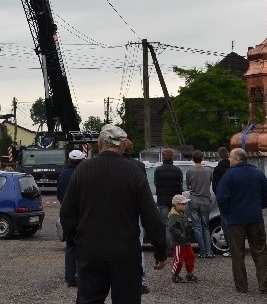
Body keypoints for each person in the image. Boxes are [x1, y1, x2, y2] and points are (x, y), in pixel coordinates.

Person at [60, 125, 167, 303]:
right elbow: (151, 216)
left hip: (90, 251)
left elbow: (67, 212)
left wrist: (75, 240)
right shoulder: (134, 173)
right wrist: (160, 251)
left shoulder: (83, 170)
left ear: (100, 143)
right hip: (125, 254)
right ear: (123, 146)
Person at [215, 148, 267, 295]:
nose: (228, 159)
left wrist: (227, 212)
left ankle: (242, 287)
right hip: (255, 218)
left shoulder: (229, 175)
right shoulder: (257, 173)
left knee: (237, 253)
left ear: (237, 159)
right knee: (260, 251)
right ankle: (265, 285)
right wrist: (259, 206)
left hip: (236, 220)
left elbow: (221, 197)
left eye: (230, 157)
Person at [123, 138, 150, 294]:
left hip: (118, 211)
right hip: (135, 210)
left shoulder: (114, 165)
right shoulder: (139, 166)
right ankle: (141, 281)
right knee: (137, 246)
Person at [57, 149, 85, 288]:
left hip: (65, 213)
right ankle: (80, 278)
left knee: (70, 246)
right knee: (81, 247)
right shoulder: (81, 174)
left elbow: (58, 195)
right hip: (79, 214)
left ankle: (70, 278)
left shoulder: (62, 175)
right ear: (80, 161)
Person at [154, 148, 183, 259]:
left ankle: (168, 250)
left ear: (162, 157)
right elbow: (180, 184)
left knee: (166, 225)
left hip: (162, 199)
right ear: (173, 158)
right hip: (175, 200)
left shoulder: (158, 170)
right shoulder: (177, 170)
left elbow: (156, 184)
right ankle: (177, 248)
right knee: (175, 224)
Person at [186, 149, 214, 258]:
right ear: (202, 159)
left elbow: (189, 184)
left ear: (193, 159)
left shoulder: (189, 171)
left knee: (197, 227)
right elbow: (210, 182)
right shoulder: (208, 171)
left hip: (194, 200)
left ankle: (202, 252)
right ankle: (209, 252)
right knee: (206, 227)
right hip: (205, 200)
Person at [168, 194, 198, 283]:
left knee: (190, 257)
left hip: (186, 241)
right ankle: (175, 275)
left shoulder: (182, 213)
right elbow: (172, 228)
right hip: (179, 242)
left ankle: (189, 273)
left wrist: (189, 231)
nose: (186, 206)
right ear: (177, 204)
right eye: (184, 204)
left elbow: (185, 225)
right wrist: (181, 235)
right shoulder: (174, 215)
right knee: (178, 260)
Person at [211, 146, 231, 256]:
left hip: (223, 200)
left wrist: (219, 196)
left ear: (218, 155)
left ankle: (230, 248)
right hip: (234, 200)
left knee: (226, 225)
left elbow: (215, 186)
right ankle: (237, 247)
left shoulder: (218, 169)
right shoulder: (233, 166)